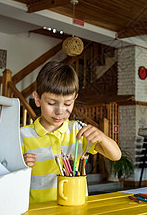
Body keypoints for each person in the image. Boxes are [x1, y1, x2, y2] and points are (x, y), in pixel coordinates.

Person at [20, 61, 121, 204]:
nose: (60, 111)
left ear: (75, 99)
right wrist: (20, 165)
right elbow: (6, 175)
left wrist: (102, 137)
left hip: (76, 206)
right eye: (51, 103)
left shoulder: (78, 130)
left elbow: (116, 156)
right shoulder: (22, 136)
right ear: (37, 99)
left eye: (67, 104)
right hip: (39, 209)